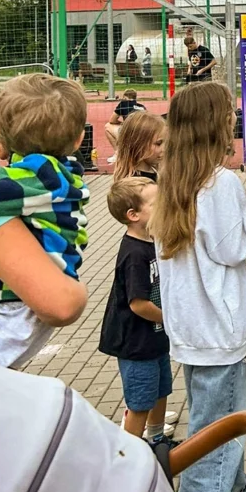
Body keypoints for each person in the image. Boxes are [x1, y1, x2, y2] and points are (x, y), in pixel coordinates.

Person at [149, 82, 246, 492]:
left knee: (211, 412)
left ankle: (233, 489)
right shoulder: (220, 183)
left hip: (189, 324)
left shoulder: (172, 179)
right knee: (218, 426)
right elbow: (233, 247)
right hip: (218, 323)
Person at [0, 73, 89, 368]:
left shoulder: (39, 177)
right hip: (15, 307)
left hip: (10, 311)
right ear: (79, 138)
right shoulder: (57, 174)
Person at [99, 177, 171, 444]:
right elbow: (138, 304)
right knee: (140, 401)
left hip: (155, 338)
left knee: (161, 390)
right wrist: (171, 320)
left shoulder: (153, 242)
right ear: (133, 215)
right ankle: (130, 452)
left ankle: (157, 440)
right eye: (156, 203)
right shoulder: (134, 254)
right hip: (135, 343)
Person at [113, 111, 166, 183]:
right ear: (138, 144)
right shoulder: (136, 184)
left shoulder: (152, 170)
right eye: (158, 144)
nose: (164, 149)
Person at [105, 88, 146, 163]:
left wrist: (123, 123)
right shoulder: (142, 107)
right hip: (143, 135)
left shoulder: (123, 104)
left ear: (125, 97)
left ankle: (118, 153)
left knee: (107, 126)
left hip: (129, 134)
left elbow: (112, 120)